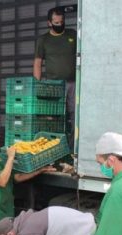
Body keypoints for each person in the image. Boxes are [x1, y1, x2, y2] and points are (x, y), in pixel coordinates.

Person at [33, 7, 77, 148]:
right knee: (54, 117)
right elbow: (38, 63)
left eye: (62, 21)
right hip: (53, 85)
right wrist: (37, 85)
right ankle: (54, 148)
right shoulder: (43, 40)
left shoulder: (72, 35)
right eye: (56, 22)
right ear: (49, 23)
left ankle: (71, 150)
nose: (60, 25)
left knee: (75, 116)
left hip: (73, 83)